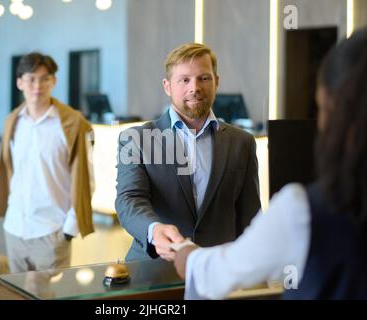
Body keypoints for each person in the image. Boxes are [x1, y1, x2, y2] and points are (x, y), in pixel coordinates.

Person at [174, 28, 367, 299]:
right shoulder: (141, 137)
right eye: (184, 79)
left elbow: (216, 273)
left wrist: (187, 255)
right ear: (168, 85)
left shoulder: (301, 212)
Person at [116, 43, 261, 262]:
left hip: (217, 269)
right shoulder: (136, 139)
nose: (195, 87)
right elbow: (129, 200)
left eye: (204, 78)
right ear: (167, 86)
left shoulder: (243, 142)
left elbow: (249, 216)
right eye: (184, 80)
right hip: (154, 271)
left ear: (217, 82)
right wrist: (154, 231)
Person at [0, 52, 95, 273]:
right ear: (19, 82)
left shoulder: (73, 124)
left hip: (51, 232)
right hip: (14, 230)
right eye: (31, 78)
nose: (37, 85)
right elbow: (10, 169)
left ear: (54, 81)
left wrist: (69, 230)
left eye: (45, 78)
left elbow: (86, 178)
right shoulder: (13, 121)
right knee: (18, 295)